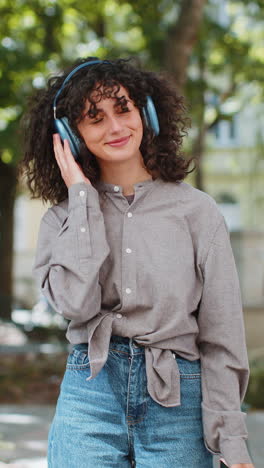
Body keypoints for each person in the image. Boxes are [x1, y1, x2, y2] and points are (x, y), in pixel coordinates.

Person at [19, 57, 254, 468]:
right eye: (94, 118)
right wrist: (82, 201)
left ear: (144, 113)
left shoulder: (197, 212)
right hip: (89, 395)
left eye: (123, 109)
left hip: (179, 399)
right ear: (70, 137)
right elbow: (76, 305)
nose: (114, 127)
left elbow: (222, 336)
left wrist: (230, 441)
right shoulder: (61, 220)